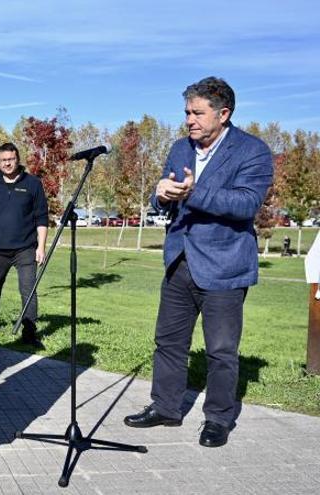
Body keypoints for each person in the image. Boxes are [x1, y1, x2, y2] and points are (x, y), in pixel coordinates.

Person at [123, 77, 273, 448]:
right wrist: (159, 195)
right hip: (180, 261)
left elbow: (245, 205)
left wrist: (194, 192)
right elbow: (165, 197)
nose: (189, 119)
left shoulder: (252, 151)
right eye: (187, 112)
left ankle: (218, 419)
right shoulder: (179, 148)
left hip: (225, 267)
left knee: (221, 351)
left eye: (197, 112)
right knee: (169, 341)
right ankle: (166, 407)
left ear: (224, 114)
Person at [0, 142, 49, 348]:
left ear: (17, 159)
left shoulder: (33, 184)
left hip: (25, 249)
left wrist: (40, 248)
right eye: (3, 160)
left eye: (11, 159)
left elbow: (42, 218)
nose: (7, 164)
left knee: (28, 291)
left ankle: (30, 334)